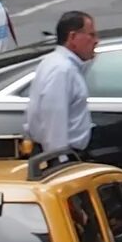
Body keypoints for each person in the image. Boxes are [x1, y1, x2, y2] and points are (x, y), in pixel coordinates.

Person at [23, 11, 96, 159]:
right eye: (91, 35)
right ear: (73, 37)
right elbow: (54, 123)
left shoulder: (60, 63)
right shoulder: (62, 70)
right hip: (64, 157)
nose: (96, 41)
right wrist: (60, 163)